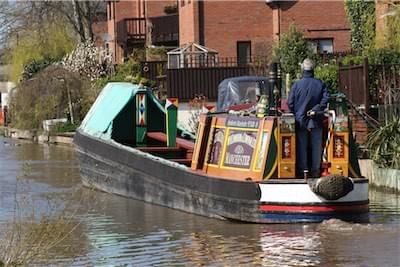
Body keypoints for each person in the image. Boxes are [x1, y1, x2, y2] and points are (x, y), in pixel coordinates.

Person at [288, 58, 330, 178]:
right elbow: (326, 99)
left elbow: (290, 103)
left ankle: (304, 171)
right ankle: (316, 171)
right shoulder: (320, 84)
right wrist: (316, 109)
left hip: (300, 120)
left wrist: (297, 113)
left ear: (303, 69)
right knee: (317, 146)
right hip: (316, 120)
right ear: (313, 69)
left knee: (302, 146)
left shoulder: (296, 85)